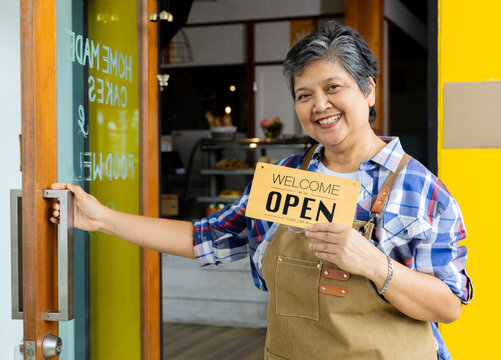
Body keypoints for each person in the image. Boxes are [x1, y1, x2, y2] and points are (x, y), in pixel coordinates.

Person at [51, 22, 472, 360]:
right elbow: (205, 238)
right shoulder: (283, 176)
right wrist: (98, 218)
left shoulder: (422, 190)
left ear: (368, 90)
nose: (319, 105)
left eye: (333, 87)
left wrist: (377, 265)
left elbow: (448, 306)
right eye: (303, 95)